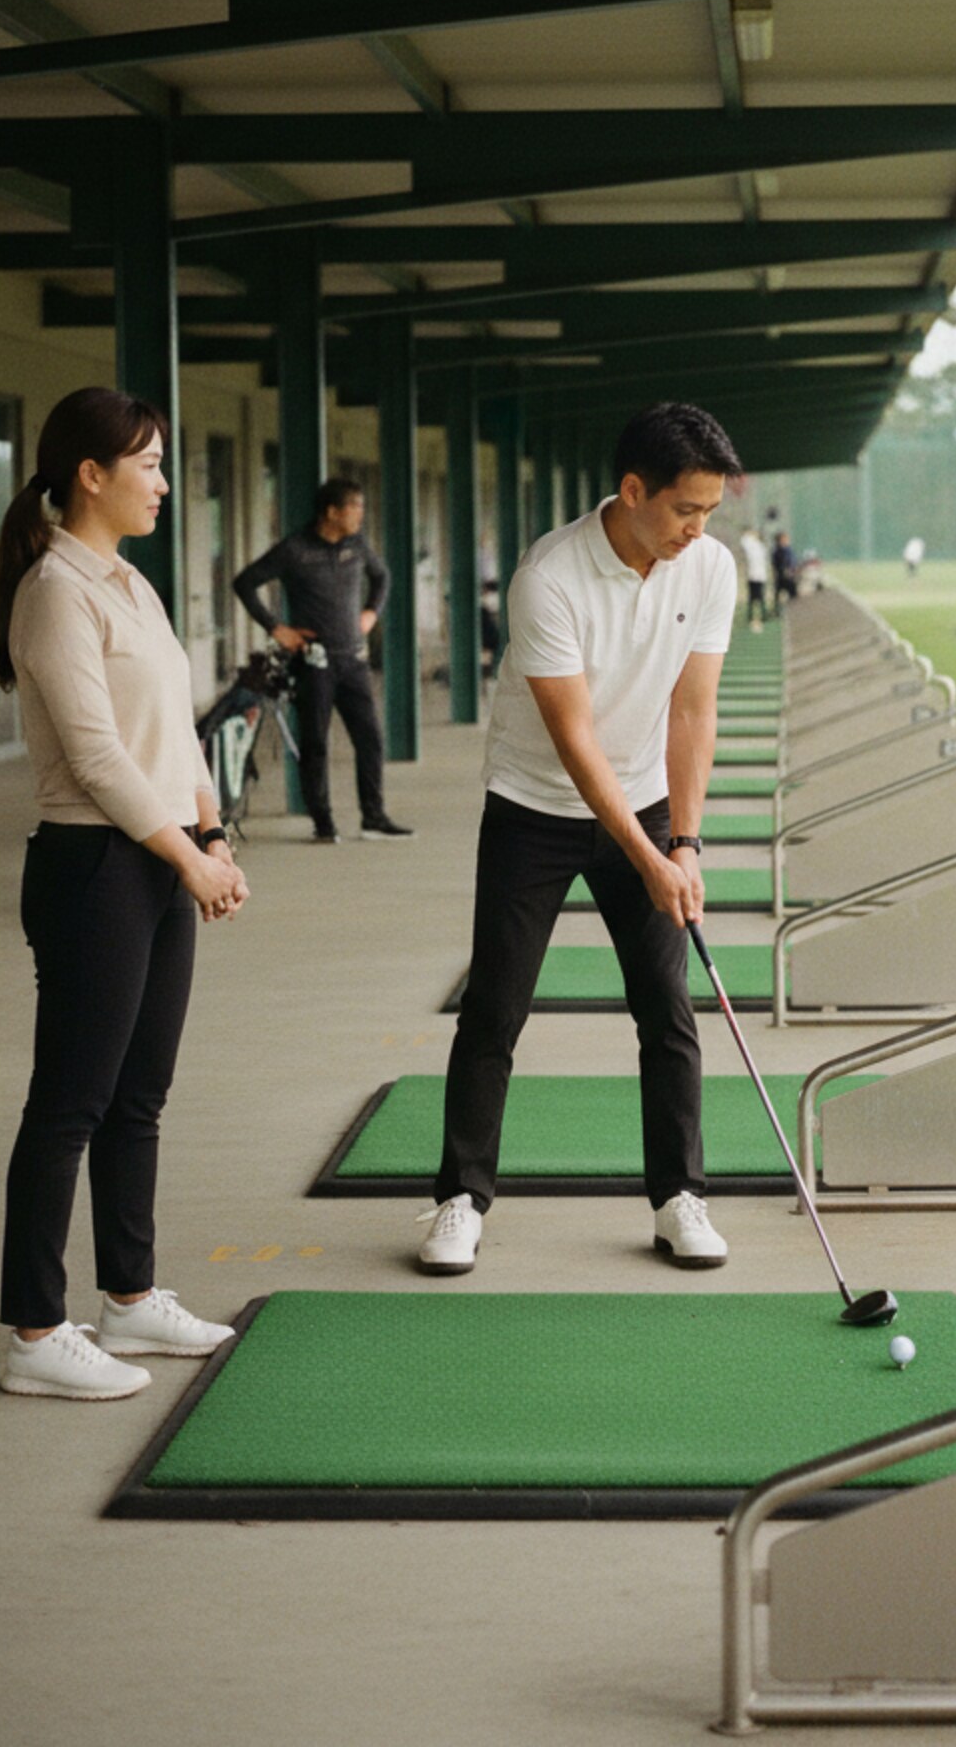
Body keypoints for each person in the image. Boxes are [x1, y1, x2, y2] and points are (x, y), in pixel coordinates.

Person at [418, 403, 743, 1277]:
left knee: (666, 1006)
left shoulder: (710, 566)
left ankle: (679, 1197)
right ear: (633, 491)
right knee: (495, 1007)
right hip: (533, 808)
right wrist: (645, 858)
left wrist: (684, 843)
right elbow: (576, 740)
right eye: (685, 509)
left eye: (710, 511)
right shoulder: (548, 577)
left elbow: (692, 710)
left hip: (648, 803)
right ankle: (461, 1199)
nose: (699, 529)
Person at [0, 387, 251, 1402]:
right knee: (70, 1103)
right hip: (93, 867)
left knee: (139, 1097)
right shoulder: (55, 589)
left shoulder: (129, 582)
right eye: (148, 464)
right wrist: (188, 860)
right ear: (90, 475)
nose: (164, 483)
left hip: (159, 857)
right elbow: (97, 757)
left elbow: (176, 732)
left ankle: (129, 1296)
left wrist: (210, 834)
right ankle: (34, 1331)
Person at [234, 477, 411, 843]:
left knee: (370, 738)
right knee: (315, 742)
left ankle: (374, 817)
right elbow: (245, 582)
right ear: (331, 512)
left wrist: (371, 612)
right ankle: (323, 823)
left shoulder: (357, 545)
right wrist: (276, 628)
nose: (361, 514)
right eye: (354, 507)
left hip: (353, 660)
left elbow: (382, 577)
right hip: (314, 662)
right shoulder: (295, 549)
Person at [739, 522, 772, 630]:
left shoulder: (759, 546)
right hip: (752, 575)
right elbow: (744, 541)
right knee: (752, 597)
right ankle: (750, 616)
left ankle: (763, 615)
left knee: (761, 597)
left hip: (760, 575)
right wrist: (749, 533)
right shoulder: (750, 544)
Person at [771, 530, 800, 610]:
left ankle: (795, 609)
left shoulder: (789, 550)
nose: (787, 541)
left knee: (793, 595)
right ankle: (777, 610)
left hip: (790, 577)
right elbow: (776, 565)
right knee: (778, 596)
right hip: (782, 577)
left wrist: (795, 571)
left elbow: (794, 562)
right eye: (784, 539)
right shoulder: (777, 551)